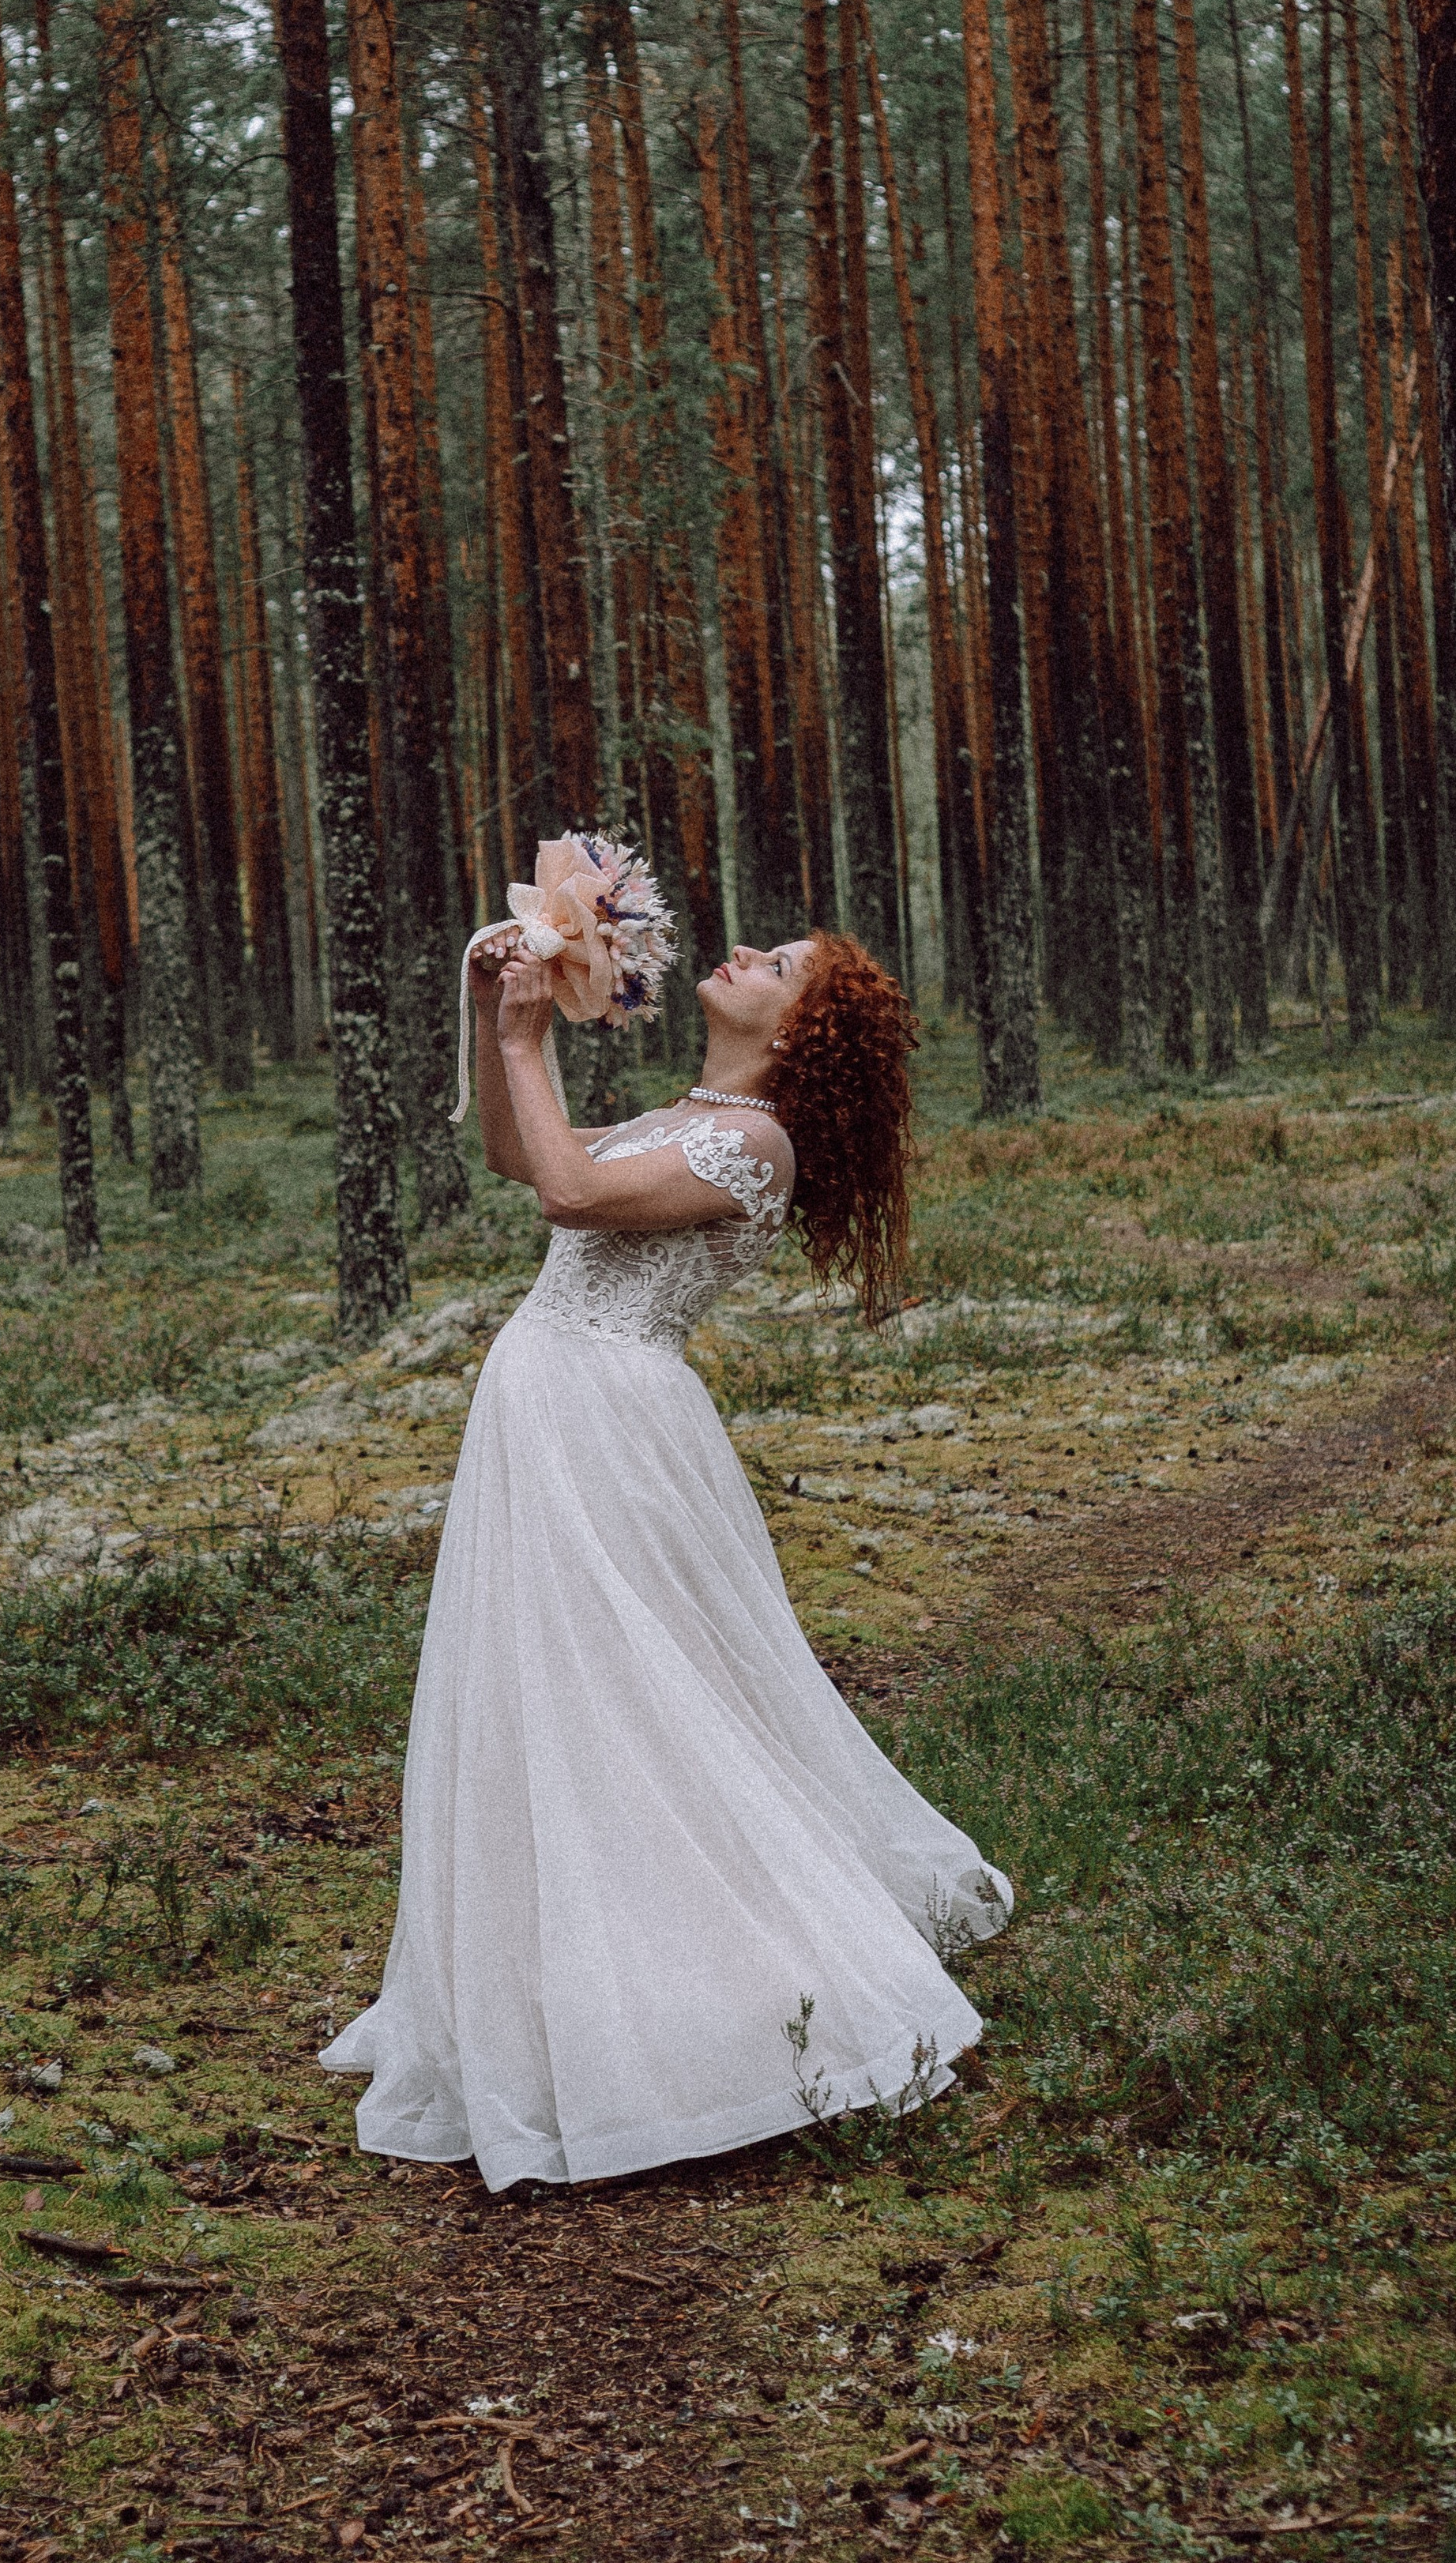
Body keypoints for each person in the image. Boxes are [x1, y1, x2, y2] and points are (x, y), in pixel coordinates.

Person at [321, 931, 1011, 2192]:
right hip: (550, 1407)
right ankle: (579, 1974)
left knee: (637, 1695)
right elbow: (517, 1156)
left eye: (779, 963)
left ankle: (710, 1993)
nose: (744, 951)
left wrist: (532, 1042)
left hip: (607, 1424)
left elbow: (572, 1197)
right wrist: (492, 1015)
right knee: (554, 1695)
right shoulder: (684, 1111)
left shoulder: (756, 1145)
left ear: (800, 1030)